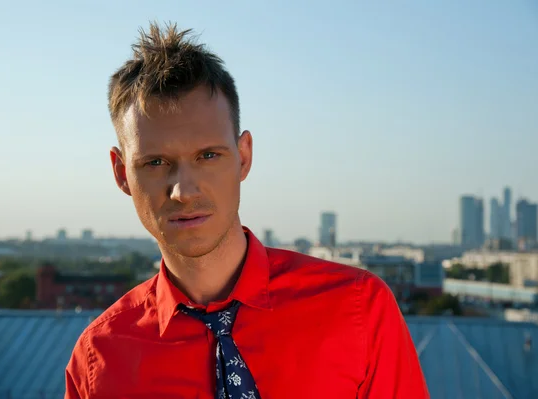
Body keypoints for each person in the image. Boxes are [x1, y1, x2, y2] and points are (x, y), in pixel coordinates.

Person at [64, 21, 429, 399]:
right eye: (155, 162)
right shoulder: (98, 360)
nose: (183, 191)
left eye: (208, 156)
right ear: (122, 173)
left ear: (243, 157)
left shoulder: (359, 310)